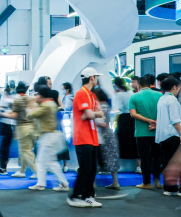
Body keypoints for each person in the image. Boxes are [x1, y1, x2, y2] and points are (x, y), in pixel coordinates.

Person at [67, 67, 103, 208]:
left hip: (91, 137)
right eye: (96, 77)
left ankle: (88, 196)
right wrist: (93, 114)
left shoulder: (91, 95)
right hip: (83, 137)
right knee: (85, 168)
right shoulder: (82, 93)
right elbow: (90, 114)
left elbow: (97, 113)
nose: (97, 79)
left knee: (91, 169)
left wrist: (93, 114)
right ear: (91, 77)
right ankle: (76, 196)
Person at [26, 85, 69, 192]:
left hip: (47, 137)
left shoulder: (46, 105)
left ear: (41, 95)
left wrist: (31, 104)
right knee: (51, 162)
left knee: (42, 162)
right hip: (50, 136)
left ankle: (42, 184)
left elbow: (31, 115)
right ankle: (62, 183)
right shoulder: (51, 103)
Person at [130, 74, 164, 189]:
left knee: (144, 157)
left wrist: (148, 121)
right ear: (150, 84)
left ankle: (147, 183)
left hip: (141, 132)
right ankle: (157, 181)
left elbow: (133, 114)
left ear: (138, 85)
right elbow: (163, 112)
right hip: (157, 131)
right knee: (157, 156)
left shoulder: (134, 96)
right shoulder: (159, 95)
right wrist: (156, 122)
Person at [156, 76, 181, 195]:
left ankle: (169, 189)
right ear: (174, 87)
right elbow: (175, 120)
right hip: (173, 134)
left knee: (167, 161)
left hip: (163, 135)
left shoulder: (162, 99)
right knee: (178, 162)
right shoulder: (172, 100)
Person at [6, 82, 36, 179]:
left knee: (26, 151)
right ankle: (22, 171)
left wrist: (3, 114)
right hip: (32, 127)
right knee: (24, 151)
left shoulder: (17, 100)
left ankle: (37, 171)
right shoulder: (31, 99)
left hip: (23, 128)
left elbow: (14, 115)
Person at [93, 87, 120, 190]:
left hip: (102, 136)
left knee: (96, 159)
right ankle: (115, 182)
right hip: (108, 135)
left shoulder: (102, 107)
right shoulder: (106, 106)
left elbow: (102, 122)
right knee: (111, 158)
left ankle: (93, 183)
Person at [112, 77, 138, 169]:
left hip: (124, 119)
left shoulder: (119, 95)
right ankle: (137, 165)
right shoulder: (131, 92)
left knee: (123, 141)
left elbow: (118, 108)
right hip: (133, 118)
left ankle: (123, 164)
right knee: (133, 141)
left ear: (116, 85)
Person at [0, 86, 15, 175]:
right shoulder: (12, 98)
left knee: (4, 148)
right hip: (10, 125)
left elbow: (4, 109)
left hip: (6, 124)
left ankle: (3, 169)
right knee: (6, 147)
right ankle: (3, 168)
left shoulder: (7, 99)